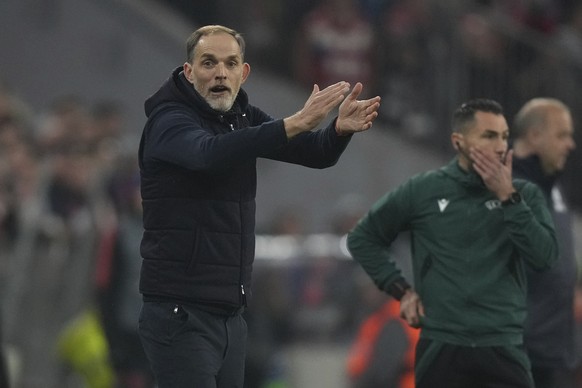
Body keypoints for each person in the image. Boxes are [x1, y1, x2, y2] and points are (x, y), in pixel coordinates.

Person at [137, 24, 381, 388]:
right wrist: (294, 122)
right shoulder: (169, 121)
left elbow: (313, 152)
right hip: (180, 313)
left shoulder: (242, 116)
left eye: (231, 63)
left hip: (230, 316)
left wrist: (338, 131)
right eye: (208, 62)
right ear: (189, 72)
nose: (220, 73)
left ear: (243, 72)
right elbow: (208, 154)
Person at [347, 98, 558, 388]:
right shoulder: (423, 190)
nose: (500, 146)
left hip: (502, 346)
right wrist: (401, 290)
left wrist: (508, 198)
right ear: (458, 142)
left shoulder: (524, 195)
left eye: (505, 137)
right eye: (489, 135)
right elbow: (362, 238)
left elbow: (545, 258)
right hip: (441, 348)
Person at [512, 98, 577, 388]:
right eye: (562, 135)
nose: (571, 144)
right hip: (516, 353)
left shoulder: (553, 185)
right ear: (535, 136)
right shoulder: (502, 185)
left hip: (553, 351)